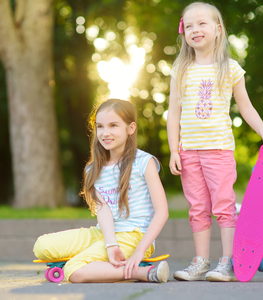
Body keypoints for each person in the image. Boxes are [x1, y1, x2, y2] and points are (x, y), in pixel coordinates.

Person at [167, 2, 263, 282]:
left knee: (223, 205)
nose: (195, 29)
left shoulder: (229, 68)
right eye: (189, 25)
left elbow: (246, 107)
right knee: (198, 208)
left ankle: (227, 263)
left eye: (202, 23)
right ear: (184, 32)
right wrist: (173, 150)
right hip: (189, 151)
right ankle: (200, 262)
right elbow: (173, 114)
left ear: (218, 29)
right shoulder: (180, 69)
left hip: (218, 151)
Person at [33, 98, 169, 283]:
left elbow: (162, 212)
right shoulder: (93, 169)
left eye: (113, 125)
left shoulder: (144, 162)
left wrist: (139, 251)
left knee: (74, 270)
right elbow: (103, 209)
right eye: (100, 127)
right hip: (103, 234)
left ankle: (142, 272)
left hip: (134, 235)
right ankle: (99, 258)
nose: (105, 133)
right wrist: (110, 243)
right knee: (42, 246)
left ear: (130, 128)